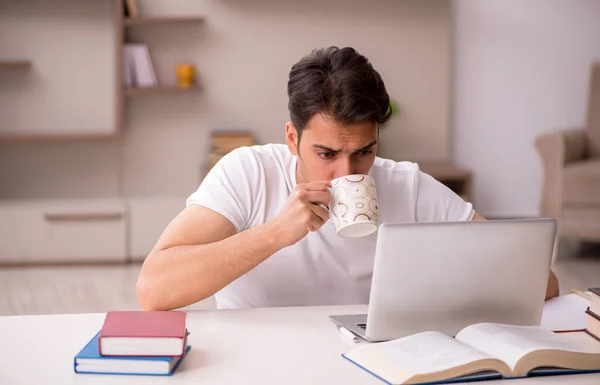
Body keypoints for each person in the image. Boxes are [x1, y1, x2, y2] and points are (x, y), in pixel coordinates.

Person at [136, 46, 559, 311]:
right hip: (259, 357)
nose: (348, 173)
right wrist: (274, 235)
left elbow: (543, 283)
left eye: (364, 152)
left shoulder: (406, 185)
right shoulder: (247, 172)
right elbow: (154, 290)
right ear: (291, 138)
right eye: (326, 154)